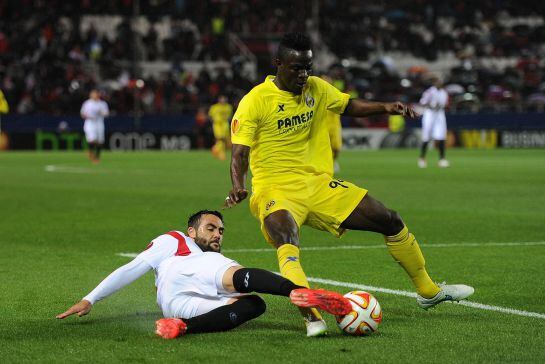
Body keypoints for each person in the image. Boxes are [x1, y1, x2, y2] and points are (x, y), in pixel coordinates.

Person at [225, 33, 474, 337]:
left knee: (388, 218)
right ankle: (311, 314)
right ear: (278, 63)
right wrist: (238, 184)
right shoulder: (254, 101)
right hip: (274, 189)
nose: (303, 74)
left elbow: (348, 105)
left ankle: (429, 291)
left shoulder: (315, 88)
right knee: (287, 237)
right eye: (296, 68)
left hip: (316, 183)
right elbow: (239, 153)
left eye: (308, 67)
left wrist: (386, 107)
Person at [56, 210, 351, 339]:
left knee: (253, 304)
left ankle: (182, 328)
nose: (217, 234)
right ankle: (293, 291)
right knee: (233, 273)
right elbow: (133, 268)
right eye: (211, 228)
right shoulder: (175, 241)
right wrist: (90, 298)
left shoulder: (212, 255)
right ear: (191, 231)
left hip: (176, 305)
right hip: (181, 273)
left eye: (221, 230)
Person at [418, 76, 450, 168]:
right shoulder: (430, 92)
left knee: (441, 136)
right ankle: (422, 158)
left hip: (439, 114)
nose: (439, 83)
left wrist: (440, 106)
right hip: (430, 114)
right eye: (437, 82)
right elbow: (422, 102)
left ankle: (442, 159)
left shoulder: (444, 92)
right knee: (426, 137)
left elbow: (445, 104)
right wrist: (431, 105)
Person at [80, 89, 109, 164]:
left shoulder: (102, 104)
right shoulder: (87, 103)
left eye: (96, 94)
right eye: (93, 94)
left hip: (99, 123)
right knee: (92, 139)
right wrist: (86, 116)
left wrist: (101, 113)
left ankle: (97, 156)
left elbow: (106, 114)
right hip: (90, 123)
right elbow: (82, 114)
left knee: (100, 141)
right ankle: (91, 153)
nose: (94, 95)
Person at [208, 95, 233, 160]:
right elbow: (210, 116)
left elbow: (230, 115)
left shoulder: (228, 107)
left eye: (224, 99)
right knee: (220, 138)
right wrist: (214, 121)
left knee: (225, 139)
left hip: (225, 124)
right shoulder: (214, 107)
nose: (223, 100)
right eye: (221, 99)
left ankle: (215, 149)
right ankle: (221, 154)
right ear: (219, 100)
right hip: (217, 124)